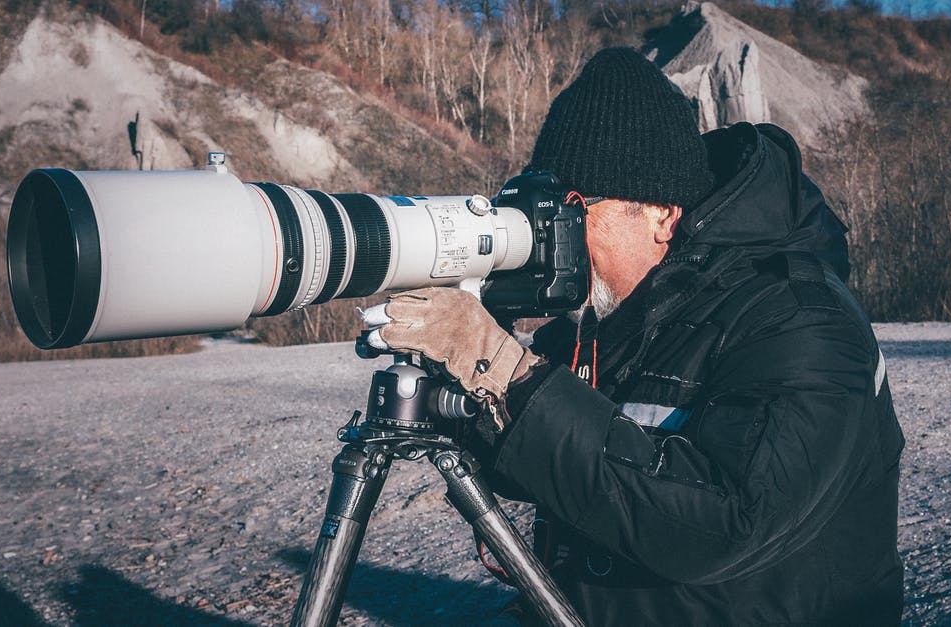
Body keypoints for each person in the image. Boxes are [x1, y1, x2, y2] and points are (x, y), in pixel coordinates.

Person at [364, 47, 904, 625]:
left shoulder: (801, 319)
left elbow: (724, 523)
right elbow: (539, 458)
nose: (554, 242)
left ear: (661, 215)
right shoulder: (599, 322)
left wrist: (506, 372)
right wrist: (458, 392)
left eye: (573, 214)